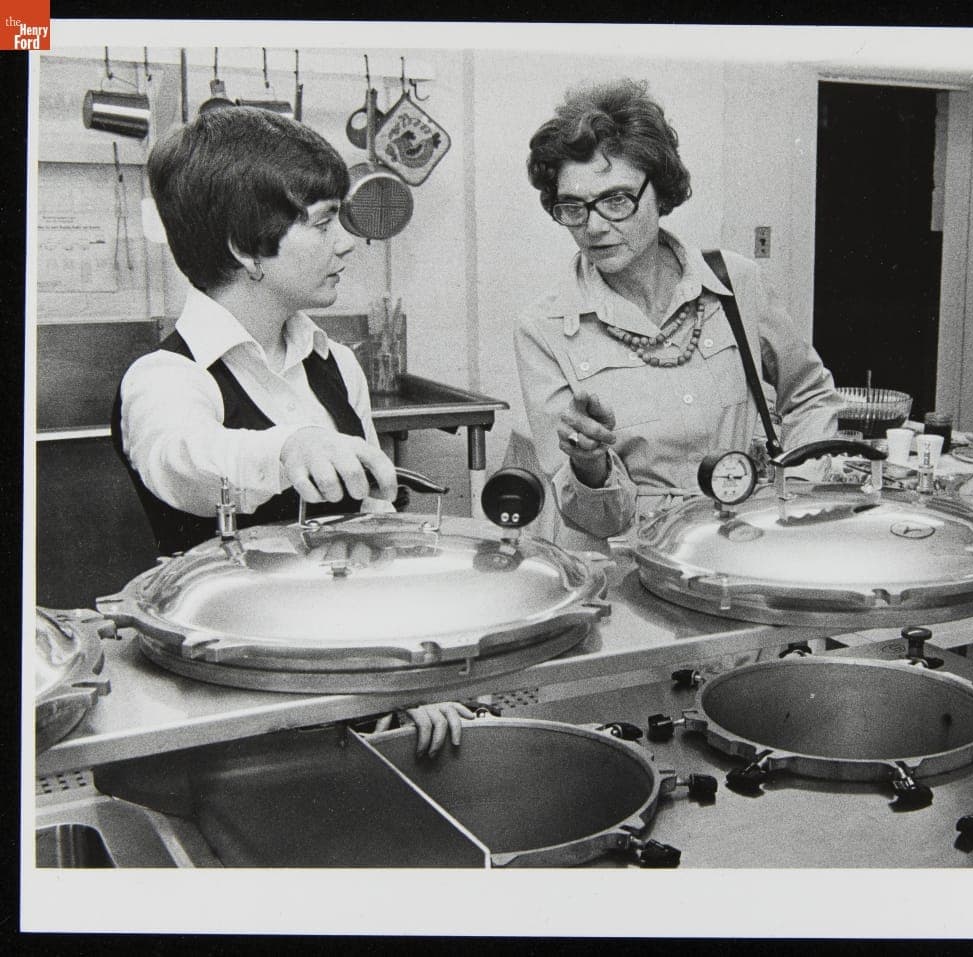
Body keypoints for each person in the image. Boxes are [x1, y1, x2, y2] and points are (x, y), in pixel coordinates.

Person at [112, 106, 465, 754]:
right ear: (247, 248)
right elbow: (181, 463)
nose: (347, 242)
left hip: (351, 682)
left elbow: (376, 538)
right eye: (324, 222)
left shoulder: (336, 364)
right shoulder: (165, 377)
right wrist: (290, 446)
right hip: (228, 704)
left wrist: (407, 675)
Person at [514, 78, 841, 546]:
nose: (595, 226)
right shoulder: (543, 329)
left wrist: (797, 492)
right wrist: (588, 465)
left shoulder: (737, 283)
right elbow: (596, 522)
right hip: (631, 564)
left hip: (743, 547)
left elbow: (810, 394)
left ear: (661, 191)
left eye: (616, 200)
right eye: (573, 207)